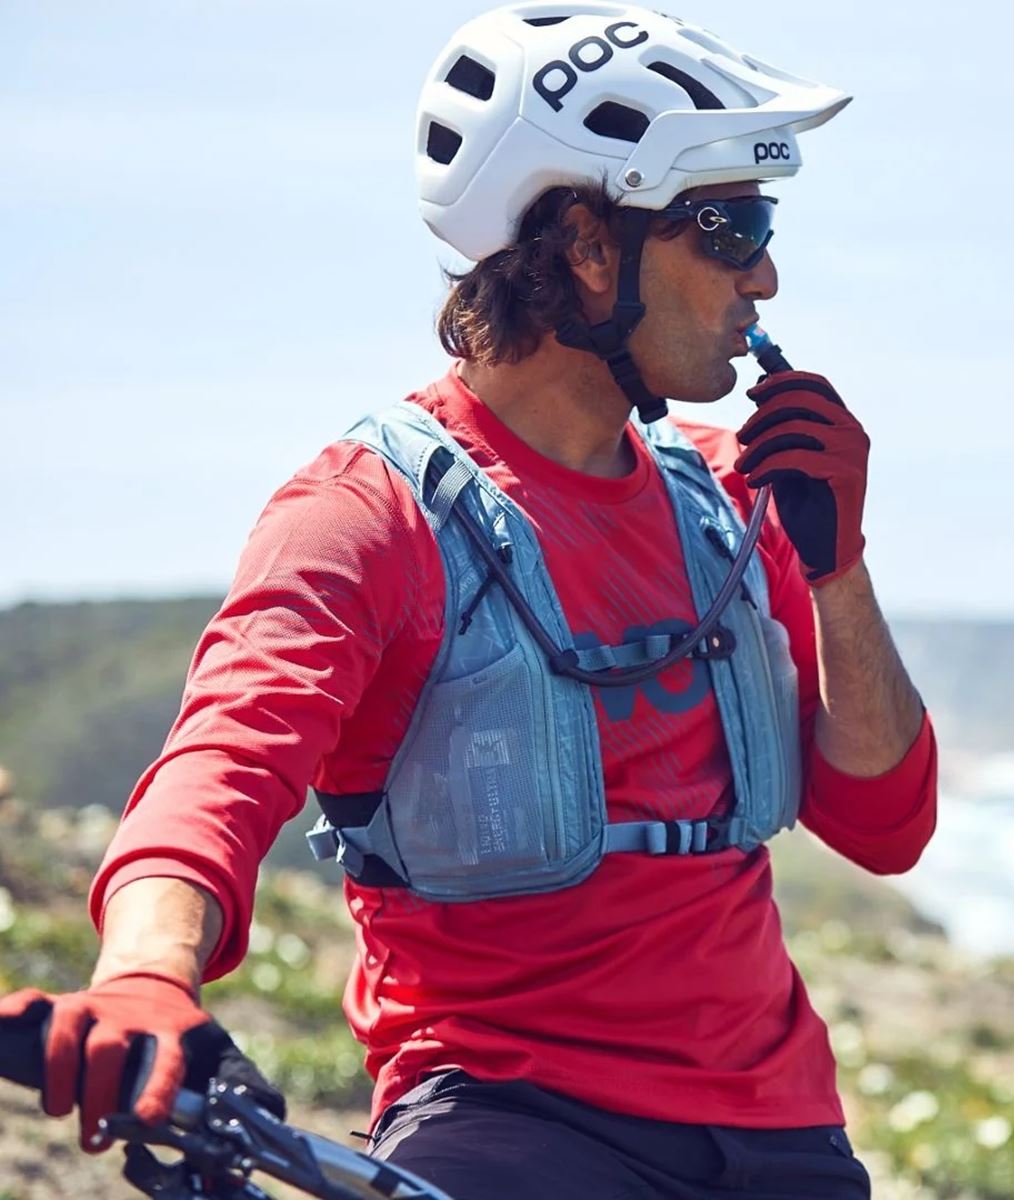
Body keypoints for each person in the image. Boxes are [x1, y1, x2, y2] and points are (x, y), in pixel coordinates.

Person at [0, 4, 937, 1197]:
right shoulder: (367, 513)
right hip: (508, 1123)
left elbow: (887, 828)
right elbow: (218, 771)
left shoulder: (736, 497)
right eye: (729, 227)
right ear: (587, 245)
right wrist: (144, 974)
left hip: (784, 1136)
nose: (765, 273)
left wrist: (839, 569)